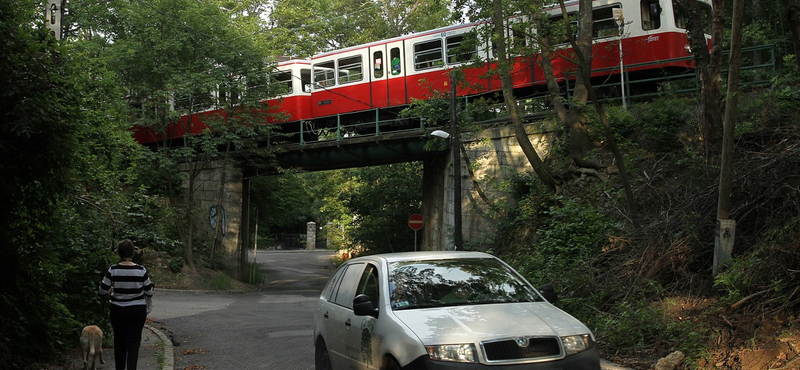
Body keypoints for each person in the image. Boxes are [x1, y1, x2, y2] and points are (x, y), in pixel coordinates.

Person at [99, 239, 155, 370]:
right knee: (134, 342)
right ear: (132, 253)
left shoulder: (113, 270)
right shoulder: (141, 270)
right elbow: (149, 292)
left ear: (119, 253)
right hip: (137, 310)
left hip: (117, 310)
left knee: (119, 341)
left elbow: (101, 291)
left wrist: (111, 290)